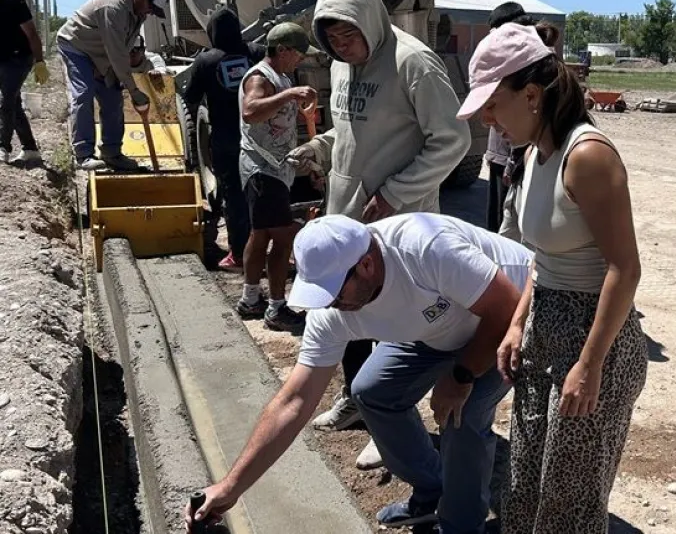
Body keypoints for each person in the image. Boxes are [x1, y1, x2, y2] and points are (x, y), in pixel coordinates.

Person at [185, 212, 531, 534]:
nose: (332, 305)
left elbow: (506, 306)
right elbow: (294, 400)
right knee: (371, 392)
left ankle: (461, 526)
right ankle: (433, 488)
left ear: (366, 264)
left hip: (504, 320)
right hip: (434, 330)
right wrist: (230, 488)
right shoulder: (332, 305)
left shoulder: (424, 248)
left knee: (464, 414)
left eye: (336, 293)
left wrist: (461, 375)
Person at [456, 22, 648, 533]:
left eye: (494, 106)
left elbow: (624, 269)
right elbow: (541, 256)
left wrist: (589, 364)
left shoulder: (587, 156)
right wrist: (519, 322)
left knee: (569, 507)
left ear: (533, 94)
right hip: (544, 337)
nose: (490, 122)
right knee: (525, 489)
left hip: (593, 343)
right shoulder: (534, 154)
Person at [287, 0, 471, 463]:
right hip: (348, 214)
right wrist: (318, 149)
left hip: (399, 222)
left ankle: (392, 414)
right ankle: (356, 401)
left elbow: (453, 141)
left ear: (371, 20)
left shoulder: (414, 63)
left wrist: (395, 192)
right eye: (332, 38)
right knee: (345, 307)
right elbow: (350, 133)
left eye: (350, 35)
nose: (343, 46)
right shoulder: (343, 68)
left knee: (397, 317)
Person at [236, 22, 318, 333]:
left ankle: (252, 299)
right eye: (297, 54)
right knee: (285, 236)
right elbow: (251, 111)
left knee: (261, 236)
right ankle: (277, 307)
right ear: (281, 50)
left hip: (274, 169)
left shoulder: (280, 78)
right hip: (262, 169)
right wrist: (289, 95)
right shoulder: (260, 77)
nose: (300, 60)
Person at [182, 6, 265, 272]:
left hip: (225, 138)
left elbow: (191, 98)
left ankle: (239, 253)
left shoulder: (206, 61)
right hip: (258, 136)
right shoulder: (256, 53)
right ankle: (266, 249)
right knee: (264, 192)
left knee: (233, 195)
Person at [57, 0, 169, 171]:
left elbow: (123, 50)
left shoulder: (138, 12)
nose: (150, 12)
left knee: (113, 95)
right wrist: (134, 91)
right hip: (77, 46)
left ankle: (111, 152)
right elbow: (117, 54)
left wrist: (119, 80)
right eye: (151, 7)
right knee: (84, 93)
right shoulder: (113, 8)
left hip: (101, 51)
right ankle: (83, 154)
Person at [483, 1, 534, 233]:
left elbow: (524, 116)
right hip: (499, 156)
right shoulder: (504, 55)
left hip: (512, 158)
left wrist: (512, 162)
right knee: (496, 219)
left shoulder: (522, 59)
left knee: (508, 222)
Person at [0, 0, 47, 166]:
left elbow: (32, 34)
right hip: (2, 58)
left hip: (20, 58)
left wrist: (40, 61)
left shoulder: (13, 1)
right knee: (14, 105)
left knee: (6, 101)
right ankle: (30, 149)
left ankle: (3, 147)